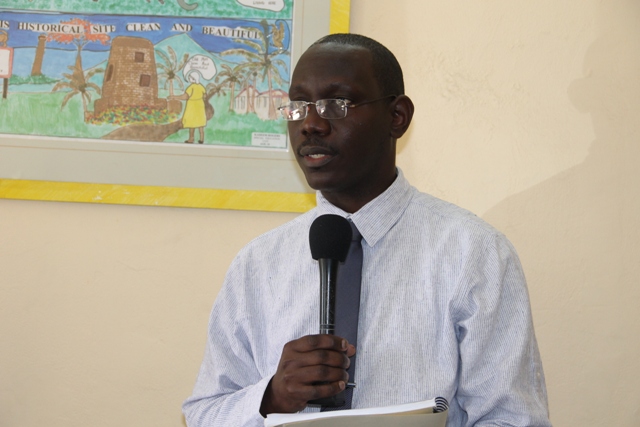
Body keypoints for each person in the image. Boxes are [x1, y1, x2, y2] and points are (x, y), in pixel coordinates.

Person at [182, 33, 551, 427]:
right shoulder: (257, 264)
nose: (311, 124)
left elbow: (514, 419)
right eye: (298, 105)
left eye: (336, 104)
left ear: (397, 117)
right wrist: (271, 396)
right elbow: (204, 413)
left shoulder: (474, 254)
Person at [170, 70, 207, 144]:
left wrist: (174, 97)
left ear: (193, 79)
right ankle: (201, 139)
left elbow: (185, 96)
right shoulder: (201, 86)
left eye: (190, 77)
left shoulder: (191, 87)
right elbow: (205, 95)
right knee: (200, 123)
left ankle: (191, 139)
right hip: (200, 105)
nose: (189, 79)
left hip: (192, 105)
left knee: (192, 123)